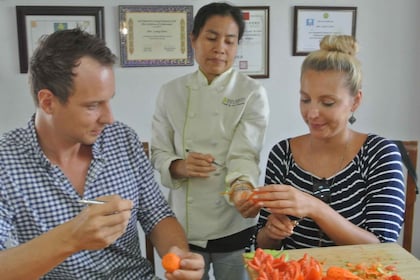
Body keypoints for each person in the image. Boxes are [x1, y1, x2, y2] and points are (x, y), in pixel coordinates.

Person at [0, 28, 204, 280]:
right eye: (92, 105)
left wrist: (180, 256)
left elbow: (157, 215)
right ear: (48, 102)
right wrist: (71, 237)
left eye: (109, 100)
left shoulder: (122, 140)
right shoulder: (6, 161)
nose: (109, 118)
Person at [252, 35, 405, 250]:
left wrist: (315, 208)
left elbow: (383, 247)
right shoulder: (282, 153)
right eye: (305, 99)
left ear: (355, 101)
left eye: (327, 102)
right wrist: (271, 232)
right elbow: (262, 244)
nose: (312, 113)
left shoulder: (379, 154)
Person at [151, 2, 269, 279]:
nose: (220, 48)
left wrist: (242, 189)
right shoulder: (170, 92)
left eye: (230, 40)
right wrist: (179, 166)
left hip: (233, 222)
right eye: (212, 38)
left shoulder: (252, 92)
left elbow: (245, 154)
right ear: (194, 39)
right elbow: (158, 152)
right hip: (183, 226)